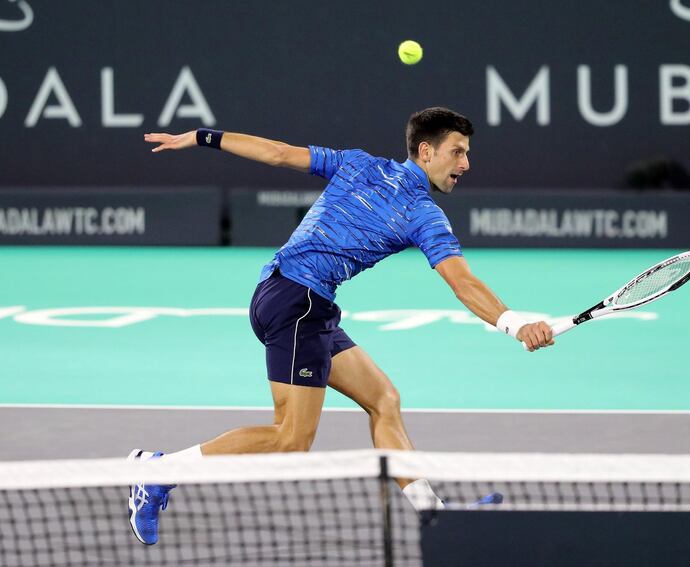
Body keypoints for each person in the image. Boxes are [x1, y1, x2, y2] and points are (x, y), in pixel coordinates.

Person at [129, 107, 554, 545]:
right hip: (298, 304)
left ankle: (434, 516)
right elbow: (461, 281)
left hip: (284, 294)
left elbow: (276, 153)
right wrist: (513, 324)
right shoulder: (422, 214)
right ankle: (159, 472)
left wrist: (203, 136)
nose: (465, 164)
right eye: (458, 152)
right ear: (426, 151)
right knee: (291, 440)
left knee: (383, 400)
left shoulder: (359, 162)